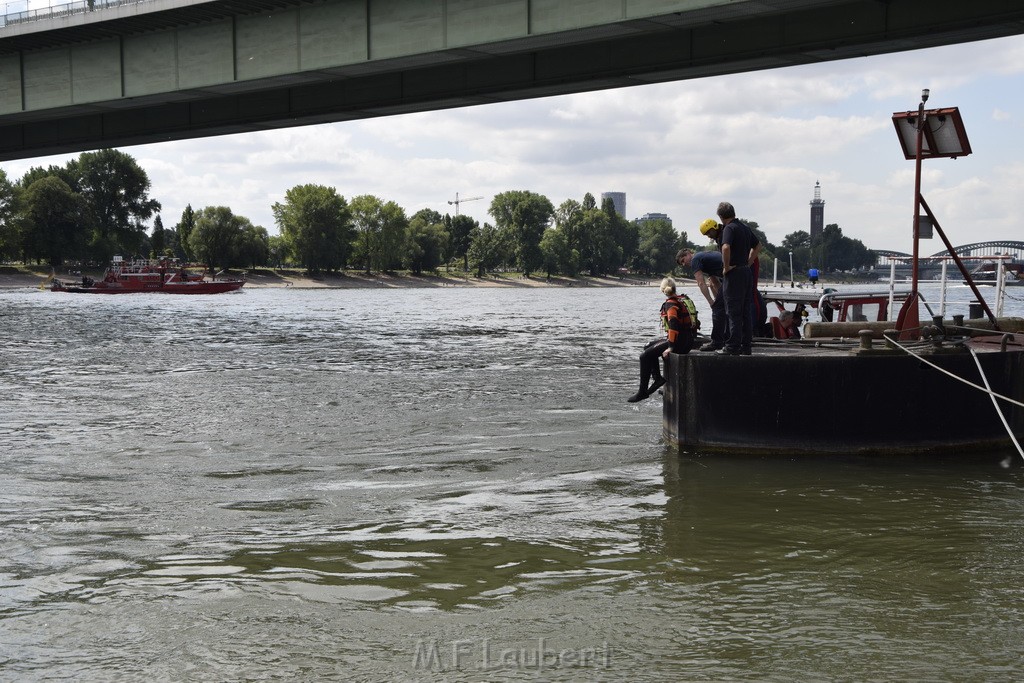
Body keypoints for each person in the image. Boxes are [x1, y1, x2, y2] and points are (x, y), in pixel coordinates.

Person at [627, 277, 696, 403]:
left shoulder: (671, 304)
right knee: (648, 346)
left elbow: (673, 326)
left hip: (680, 342)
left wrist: (670, 347)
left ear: (662, 290)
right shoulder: (681, 300)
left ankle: (642, 392)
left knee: (644, 357)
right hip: (687, 340)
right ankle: (657, 378)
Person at [716, 201, 760, 355]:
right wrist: (749, 261)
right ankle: (746, 346)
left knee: (733, 311)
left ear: (721, 216)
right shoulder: (745, 227)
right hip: (746, 272)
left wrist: (726, 267)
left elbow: (726, 247)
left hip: (734, 273)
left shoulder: (729, 228)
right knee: (745, 310)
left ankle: (732, 346)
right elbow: (758, 245)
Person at [677, 231, 725, 351]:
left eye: (683, 260)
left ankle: (717, 342)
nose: (684, 264)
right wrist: (718, 299)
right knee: (724, 308)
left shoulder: (695, 260)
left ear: (689, 253)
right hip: (735, 276)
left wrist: (711, 302)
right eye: (682, 264)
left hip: (732, 276)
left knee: (717, 310)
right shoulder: (704, 257)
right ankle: (728, 337)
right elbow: (715, 282)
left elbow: (700, 283)